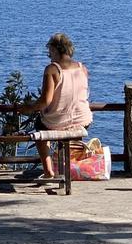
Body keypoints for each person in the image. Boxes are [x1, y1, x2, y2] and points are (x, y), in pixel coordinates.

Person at [23, 32, 92, 181]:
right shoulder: (82, 68)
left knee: (40, 126)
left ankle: (48, 171)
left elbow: (45, 101)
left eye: (50, 53)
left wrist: (28, 107)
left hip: (58, 122)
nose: (50, 56)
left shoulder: (52, 69)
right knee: (66, 137)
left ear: (55, 50)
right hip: (83, 121)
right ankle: (68, 169)